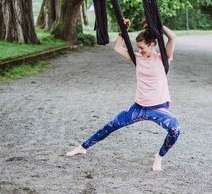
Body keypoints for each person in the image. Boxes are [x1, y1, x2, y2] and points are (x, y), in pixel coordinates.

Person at [66, 19, 180, 172]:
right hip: (139, 107)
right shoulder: (137, 58)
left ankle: (159, 157)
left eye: (142, 47)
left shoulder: (163, 59)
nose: (139, 50)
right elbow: (118, 47)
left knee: (175, 130)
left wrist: (158, 25)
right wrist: (123, 30)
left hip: (158, 108)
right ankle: (82, 147)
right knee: (111, 125)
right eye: (138, 48)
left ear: (152, 45)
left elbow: (172, 38)